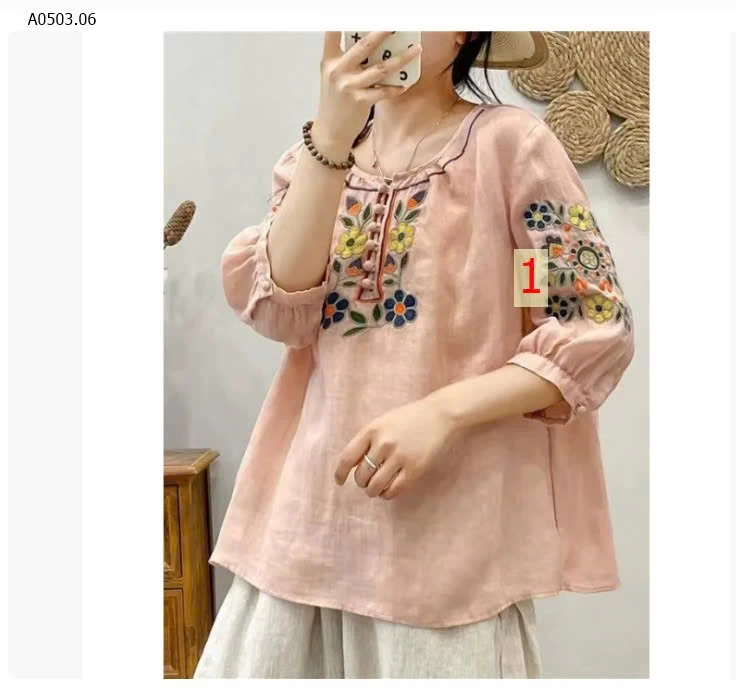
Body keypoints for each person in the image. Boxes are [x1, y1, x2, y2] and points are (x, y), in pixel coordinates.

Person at [193, 31, 635, 679]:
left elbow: (585, 321)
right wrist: (331, 135)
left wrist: (442, 413)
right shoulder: (316, 157)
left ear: (461, 28)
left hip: (448, 550)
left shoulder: (512, 146)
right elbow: (281, 310)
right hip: (305, 529)